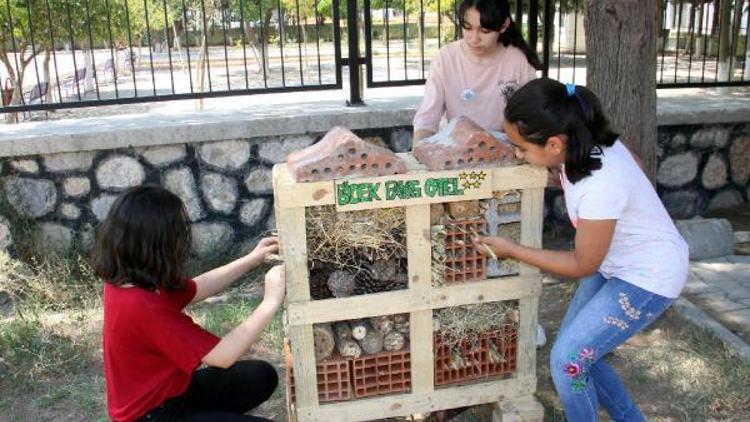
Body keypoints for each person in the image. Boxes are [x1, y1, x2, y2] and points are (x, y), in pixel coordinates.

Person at [473, 78, 688, 421]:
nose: (517, 154)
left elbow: (581, 263)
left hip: (649, 277)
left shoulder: (600, 183)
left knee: (568, 361)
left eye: (523, 148)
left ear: (555, 144)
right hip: (617, 264)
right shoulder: (589, 145)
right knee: (581, 352)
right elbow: (637, 170)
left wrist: (512, 249)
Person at [93, 185, 285, 422]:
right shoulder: (143, 307)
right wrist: (270, 302)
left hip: (173, 395)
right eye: (178, 233)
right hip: (154, 416)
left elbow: (197, 287)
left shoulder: (129, 279)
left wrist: (251, 260)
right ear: (158, 244)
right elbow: (223, 356)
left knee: (260, 376)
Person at [412, 0, 541, 145]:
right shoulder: (446, 57)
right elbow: (428, 116)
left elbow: (532, 117)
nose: (474, 39)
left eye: (485, 31)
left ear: (504, 25)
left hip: (505, 151)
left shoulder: (519, 60)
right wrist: (418, 148)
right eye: (467, 28)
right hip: (455, 149)